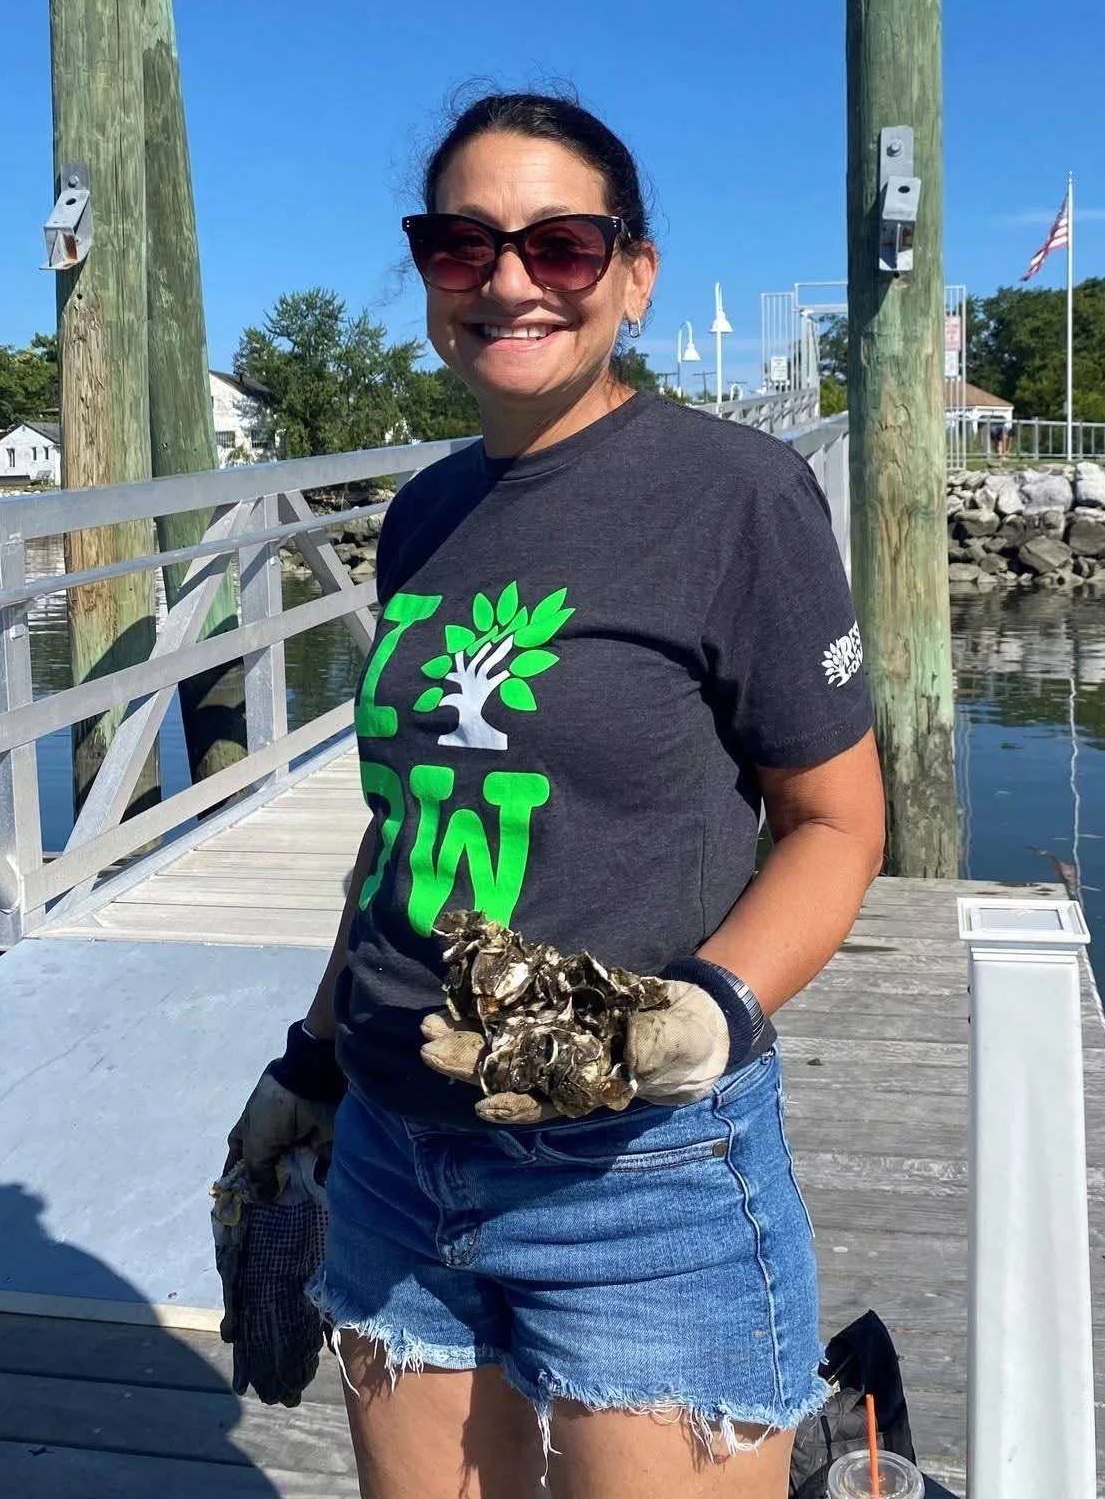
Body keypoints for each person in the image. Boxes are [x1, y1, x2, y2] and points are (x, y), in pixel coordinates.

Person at [229, 92, 887, 1499]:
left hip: (638, 1175)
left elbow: (836, 821)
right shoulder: (427, 510)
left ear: (633, 277)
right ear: (426, 277)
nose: (510, 280)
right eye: (461, 246)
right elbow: (408, 823)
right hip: (396, 1157)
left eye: (563, 247)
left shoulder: (738, 497)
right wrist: (313, 1059)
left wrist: (700, 1015)